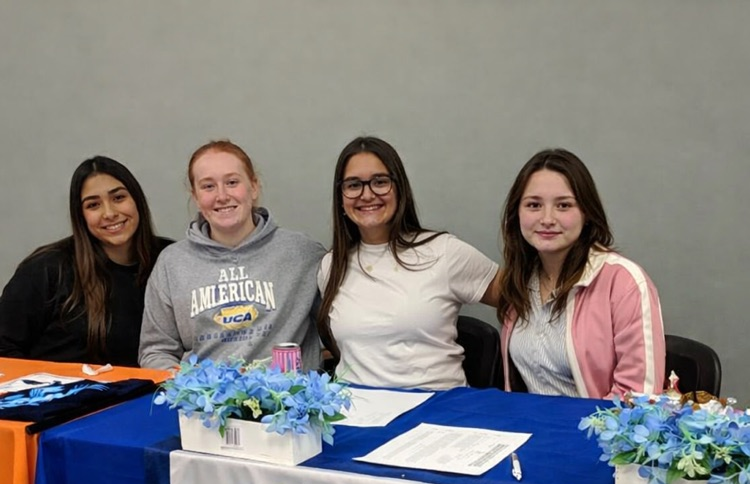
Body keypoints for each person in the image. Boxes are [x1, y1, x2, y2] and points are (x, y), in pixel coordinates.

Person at [317, 136, 500, 389]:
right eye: (353, 185)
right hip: (358, 414)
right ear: (341, 196)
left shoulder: (444, 252)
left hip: (439, 413)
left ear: (399, 187)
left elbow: (519, 299)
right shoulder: (331, 266)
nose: (367, 194)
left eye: (380, 182)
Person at [139, 140, 325, 370]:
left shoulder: (303, 253)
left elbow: (342, 327)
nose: (222, 195)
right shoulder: (171, 263)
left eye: (232, 182)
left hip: (287, 402)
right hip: (204, 404)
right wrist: (186, 388)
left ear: (254, 187)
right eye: (208, 186)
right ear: (195, 197)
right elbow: (156, 350)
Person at [496, 148, 665, 398]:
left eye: (563, 205)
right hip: (531, 428)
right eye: (534, 205)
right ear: (516, 213)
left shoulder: (624, 282)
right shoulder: (519, 280)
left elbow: (639, 397)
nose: (547, 218)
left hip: (594, 432)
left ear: (586, 213)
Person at [0, 156, 168, 366]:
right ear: (80, 215)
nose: (109, 213)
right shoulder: (47, 268)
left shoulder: (171, 260)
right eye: (93, 205)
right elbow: (4, 348)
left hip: (150, 395)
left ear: (137, 200)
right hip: (60, 396)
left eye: (118, 198)